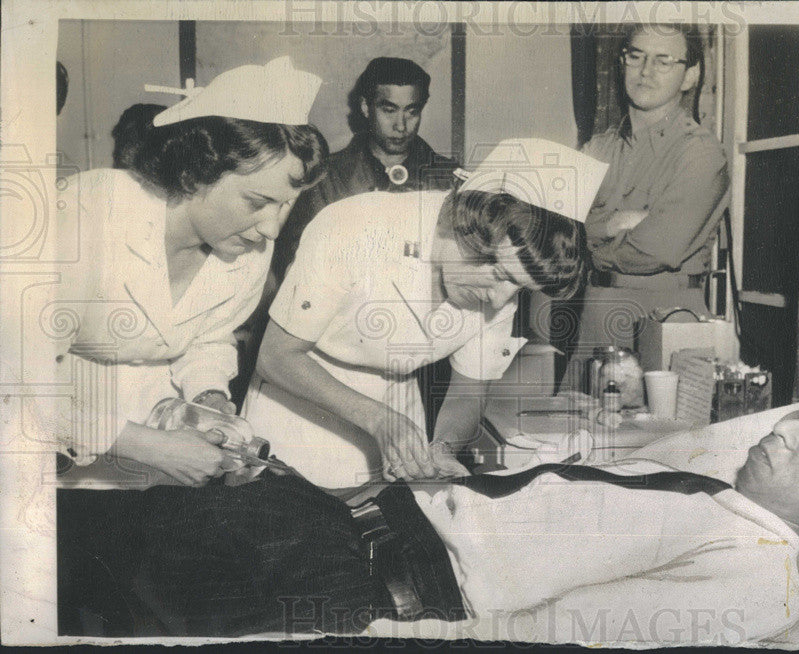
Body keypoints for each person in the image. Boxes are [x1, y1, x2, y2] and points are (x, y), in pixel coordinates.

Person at [57, 386, 799, 641]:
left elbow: (552, 633)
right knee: (58, 536)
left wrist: (363, 623)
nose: (792, 433)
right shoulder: (716, 496)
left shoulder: (762, 579)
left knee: (55, 565)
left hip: (344, 579)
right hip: (335, 526)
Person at [34, 57, 329, 486]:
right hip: (54, 448)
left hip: (160, 452)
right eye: (256, 201)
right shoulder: (84, 217)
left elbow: (208, 335)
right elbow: (17, 383)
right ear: (195, 173)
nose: (271, 228)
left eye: (286, 205)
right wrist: (145, 445)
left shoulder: (245, 240)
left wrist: (208, 396)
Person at [241, 139, 602, 487]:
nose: (498, 301)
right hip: (294, 428)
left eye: (518, 288)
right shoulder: (353, 226)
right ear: (467, 222)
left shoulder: (501, 284)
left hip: (397, 430)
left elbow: (469, 390)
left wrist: (442, 449)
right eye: (500, 275)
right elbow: (275, 357)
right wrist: (379, 420)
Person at [559, 24, 730, 392]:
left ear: (690, 75)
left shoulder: (700, 152)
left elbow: (656, 250)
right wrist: (611, 226)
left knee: (662, 440)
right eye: (635, 56)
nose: (645, 71)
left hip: (665, 315)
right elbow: (554, 237)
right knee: (578, 435)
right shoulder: (597, 149)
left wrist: (588, 229)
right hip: (595, 314)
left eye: (664, 61)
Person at [272, 56, 459, 281]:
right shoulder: (323, 178)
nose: (401, 126)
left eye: (412, 111)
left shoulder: (450, 180)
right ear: (365, 107)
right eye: (389, 110)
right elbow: (296, 263)